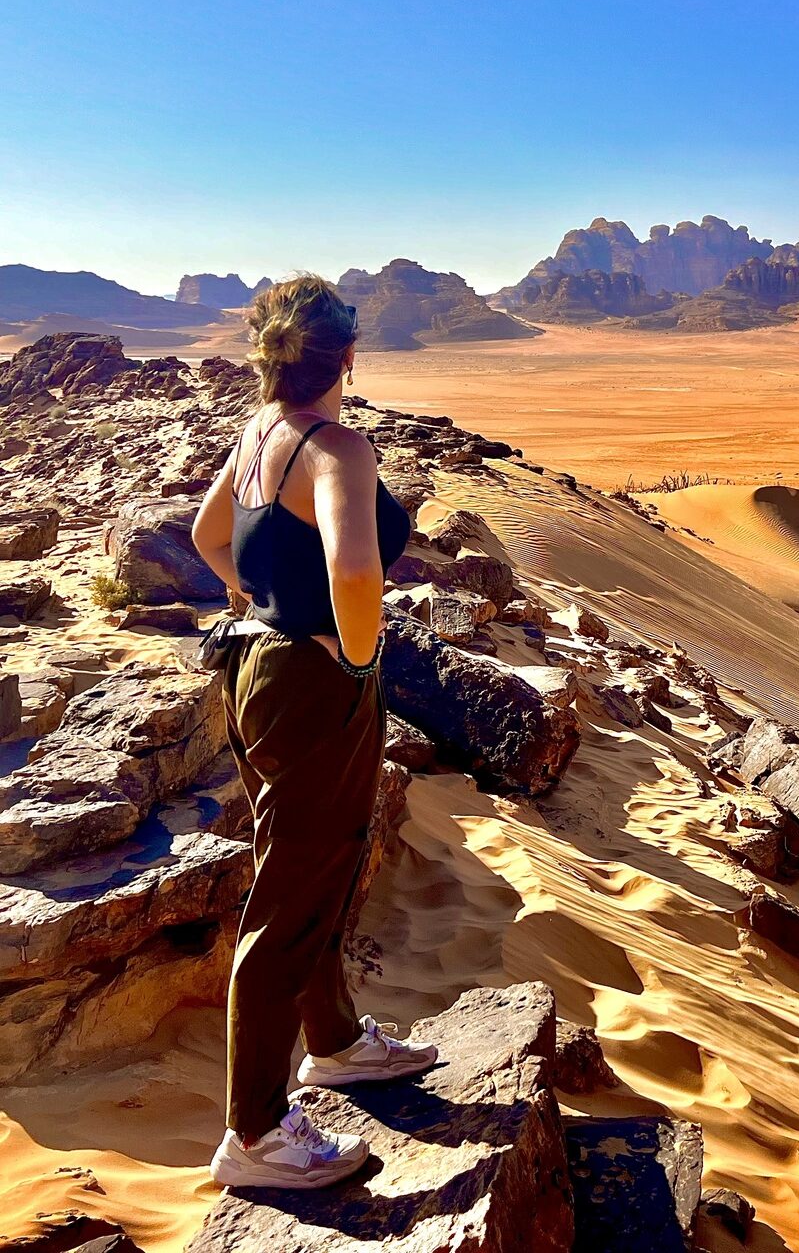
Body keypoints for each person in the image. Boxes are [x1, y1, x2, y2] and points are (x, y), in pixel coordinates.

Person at [192, 273, 435, 1190]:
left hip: (254, 670)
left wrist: (258, 599)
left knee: (315, 861)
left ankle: (333, 1042)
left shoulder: (260, 435)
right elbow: (358, 572)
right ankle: (252, 1134)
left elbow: (209, 534)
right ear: (347, 358)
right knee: (290, 892)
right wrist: (357, 658)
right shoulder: (338, 449)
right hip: (311, 681)